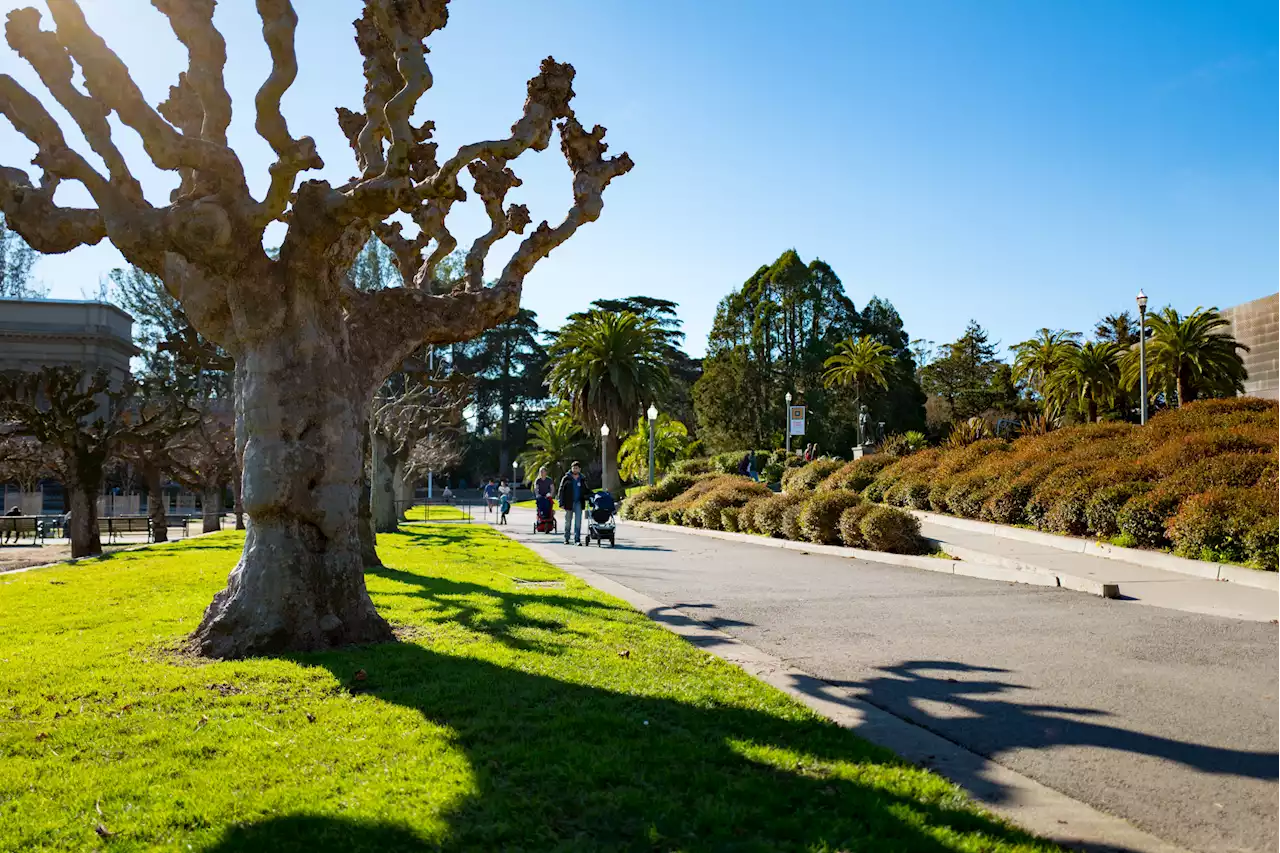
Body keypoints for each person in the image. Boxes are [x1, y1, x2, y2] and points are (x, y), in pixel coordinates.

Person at [557, 461, 590, 545]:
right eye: (574, 468)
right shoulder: (566, 478)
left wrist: (591, 495)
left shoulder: (582, 479)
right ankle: (566, 538)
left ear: (579, 469)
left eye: (577, 468)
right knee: (568, 521)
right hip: (568, 503)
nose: (575, 469)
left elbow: (586, 489)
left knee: (578, 522)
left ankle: (577, 539)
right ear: (571, 468)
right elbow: (561, 491)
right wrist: (561, 502)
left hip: (579, 502)